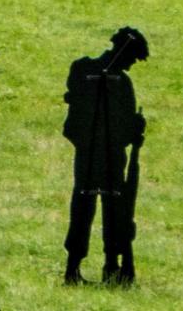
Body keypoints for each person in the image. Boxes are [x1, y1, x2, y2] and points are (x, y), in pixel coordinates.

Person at [62, 27, 150, 285]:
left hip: (101, 155)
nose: (131, 65)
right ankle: (79, 267)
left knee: (105, 210)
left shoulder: (98, 75)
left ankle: (106, 265)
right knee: (91, 210)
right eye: (131, 58)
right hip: (97, 155)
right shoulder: (95, 73)